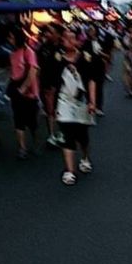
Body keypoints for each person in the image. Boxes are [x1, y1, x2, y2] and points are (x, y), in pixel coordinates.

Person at [54, 28, 97, 186]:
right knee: (67, 134)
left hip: (81, 101)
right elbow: (53, 83)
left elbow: (91, 80)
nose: (69, 42)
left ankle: (85, 157)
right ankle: (70, 170)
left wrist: (92, 101)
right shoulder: (58, 59)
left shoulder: (85, 58)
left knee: (82, 134)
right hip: (64, 101)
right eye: (66, 39)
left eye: (73, 39)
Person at [7, 27, 40, 159]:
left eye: (11, 37)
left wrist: (24, 88)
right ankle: (22, 147)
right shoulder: (12, 54)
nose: (9, 39)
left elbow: (33, 71)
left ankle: (35, 144)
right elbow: (13, 72)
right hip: (16, 89)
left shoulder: (28, 52)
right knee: (18, 119)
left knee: (32, 121)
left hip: (29, 92)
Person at [37, 24, 64, 145]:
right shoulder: (43, 48)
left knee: (61, 109)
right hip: (46, 83)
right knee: (49, 109)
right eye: (46, 32)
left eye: (51, 32)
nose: (47, 34)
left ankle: (62, 133)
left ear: (58, 34)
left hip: (61, 84)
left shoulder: (63, 48)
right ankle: (52, 134)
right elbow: (38, 67)